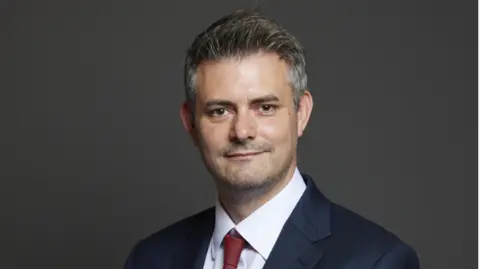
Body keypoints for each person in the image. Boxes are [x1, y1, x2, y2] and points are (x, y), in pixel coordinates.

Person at [124, 9, 420, 269]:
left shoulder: (377, 261)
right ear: (190, 123)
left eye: (265, 107)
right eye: (220, 110)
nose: (242, 131)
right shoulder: (151, 258)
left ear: (301, 113)